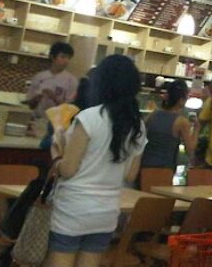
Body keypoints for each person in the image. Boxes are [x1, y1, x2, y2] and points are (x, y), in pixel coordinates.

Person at [47, 55, 146, 267]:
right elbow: (130, 175)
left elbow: (68, 170)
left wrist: (56, 153)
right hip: (107, 211)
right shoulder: (138, 124)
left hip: (74, 207)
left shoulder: (89, 117)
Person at [26, 42, 77, 149]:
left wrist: (53, 97)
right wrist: (36, 99)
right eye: (62, 57)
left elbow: (69, 109)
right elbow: (30, 105)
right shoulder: (39, 77)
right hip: (37, 122)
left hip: (57, 126)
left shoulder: (71, 81)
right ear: (53, 57)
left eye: (68, 58)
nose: (66, 61)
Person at [141, 80, 197, 171]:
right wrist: (197, 128)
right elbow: (190, 149)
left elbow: (140, 133)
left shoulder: (153, 114)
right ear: (181, 100)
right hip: (164, 169)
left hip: (144, 164)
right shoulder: (182, 122)